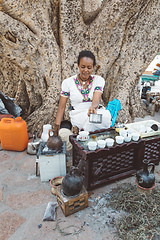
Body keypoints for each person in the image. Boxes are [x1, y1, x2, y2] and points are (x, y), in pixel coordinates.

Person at [55, 50, 112, 132]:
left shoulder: (98, 80)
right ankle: (88, 131)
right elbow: (62, 106)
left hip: (95, 112)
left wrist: (92, 107)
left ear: (93, 67)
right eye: (83, 67)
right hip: (78, 114)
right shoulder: (68, 82)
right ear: (78, 65)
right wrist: (56, 127)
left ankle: (84, 131)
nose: (85, 70)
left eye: (89, 68)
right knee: (89, 119)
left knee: (106, 115)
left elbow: (96, 99)